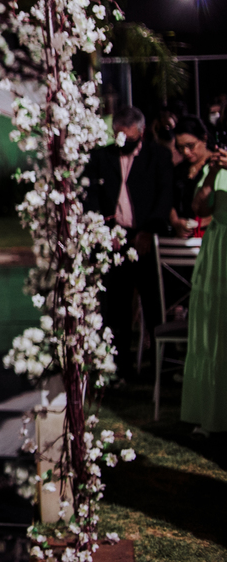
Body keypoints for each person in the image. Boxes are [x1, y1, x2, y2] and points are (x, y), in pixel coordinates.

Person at [83, 105, 173, 372]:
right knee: (117, 306)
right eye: (119, 136)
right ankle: (119, 365)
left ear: (141, 133)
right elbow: (92, 197)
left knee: (154, 303)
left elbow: (164, 195)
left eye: (130, 137)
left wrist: (149, 231)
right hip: (114, 237)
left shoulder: (157, 156)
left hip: (146, 236)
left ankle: (161, 365)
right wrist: (105, 231)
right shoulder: (102, 157)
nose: (124, 143)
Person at [181, 144, 227, 433]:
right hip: (218, 251)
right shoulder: (217, 168)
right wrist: (211, 174)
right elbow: (199, 208)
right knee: (213, 333)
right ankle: (213, 414)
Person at [171, 116, 214, 239]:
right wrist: (175, 222)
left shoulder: (216, 166)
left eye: (190, 145)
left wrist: (200, 223)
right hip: (181, 237)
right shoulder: (179, 170)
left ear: (204, 139)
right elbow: (169, 200)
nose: (186, 152)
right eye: (180, 147)